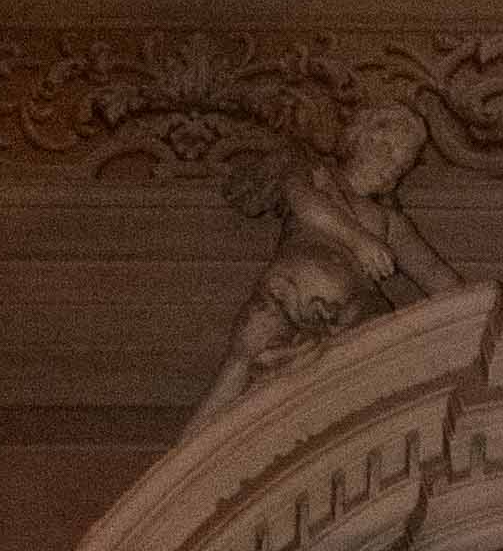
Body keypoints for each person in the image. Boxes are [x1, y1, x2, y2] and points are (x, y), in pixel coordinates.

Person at [196, 104, 463, 423]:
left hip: (353, 321)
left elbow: (435, 274)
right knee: (239, 364)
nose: (394, 164)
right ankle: (186, 452)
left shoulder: (389, 222)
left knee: (369, 407)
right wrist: (359, 241)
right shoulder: (315, 173)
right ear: (360, 138)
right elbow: (304, 202)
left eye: (403, 161)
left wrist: (490, 306)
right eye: (387, 148)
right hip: (287, 295)